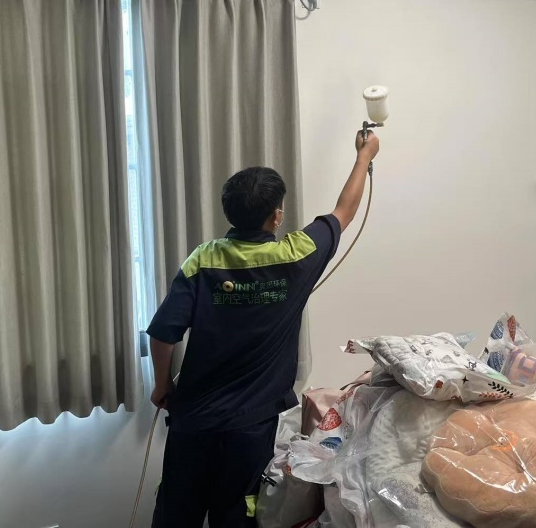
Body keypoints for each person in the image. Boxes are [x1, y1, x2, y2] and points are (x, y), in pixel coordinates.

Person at [147, 130, 381, 527]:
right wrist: (364, 156)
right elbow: (345, 211)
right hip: (250, 427)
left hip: (195, 420)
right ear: (276, 216)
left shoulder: (203, 260)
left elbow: (163, 334)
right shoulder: (296, 255)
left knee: (177, 513)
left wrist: (162, 385)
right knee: (237, 513)